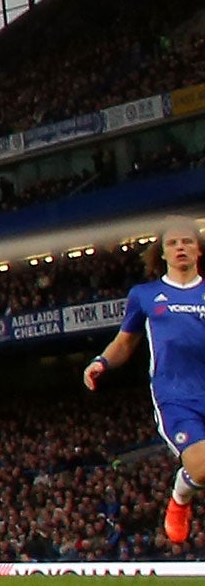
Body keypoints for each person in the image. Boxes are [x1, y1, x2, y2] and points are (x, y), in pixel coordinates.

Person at [85, 217, 205, 543]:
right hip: (175, 395)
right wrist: (102, 361)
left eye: (187, 241)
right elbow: (125, 342)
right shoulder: (146, 295)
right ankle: (179, 499)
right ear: (162, 253)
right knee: (202, 467)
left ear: (198, 249)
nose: (180, 247)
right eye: (172, 243)